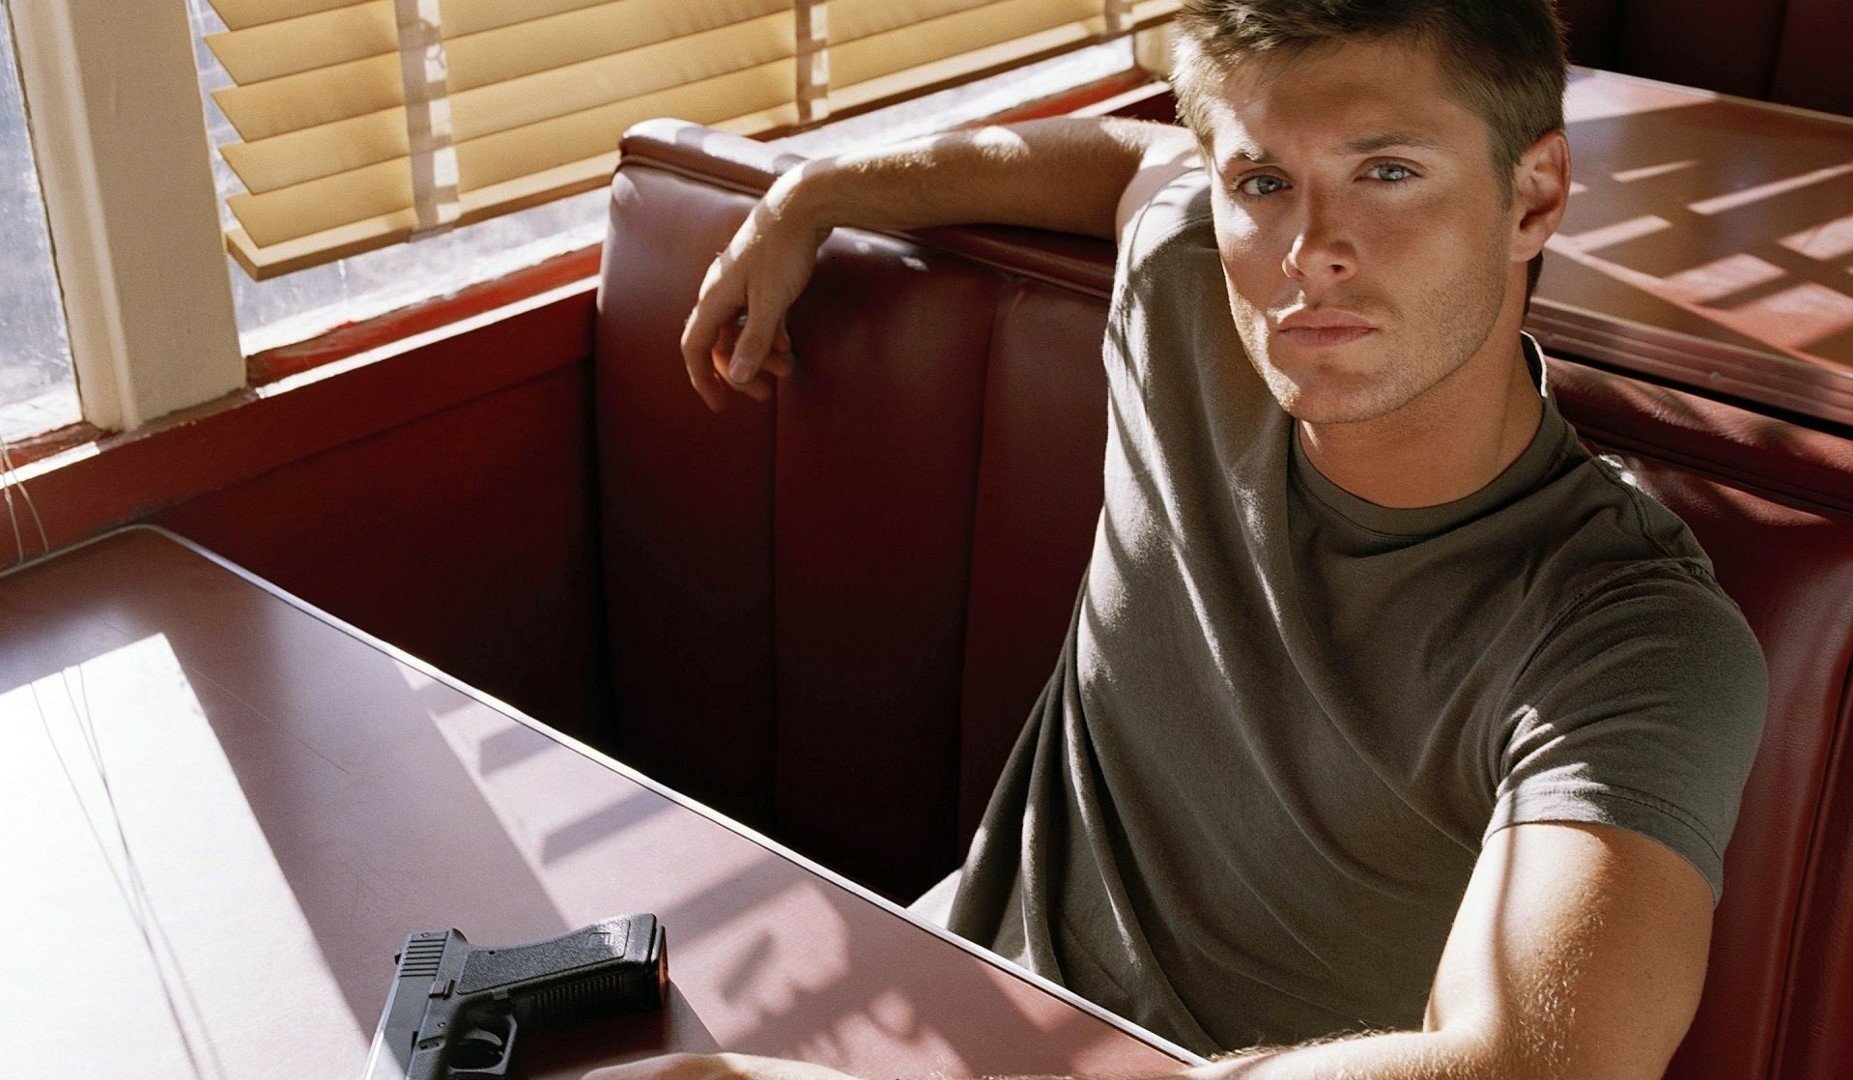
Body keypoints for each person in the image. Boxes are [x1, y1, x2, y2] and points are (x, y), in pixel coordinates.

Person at [590, 1, 1767, 1077]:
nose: (1310, 250)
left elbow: (1538, 1067)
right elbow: (1128, 163)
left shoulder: (1632, 632)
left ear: (1535, 197)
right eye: (1264, 181)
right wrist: (816, 194)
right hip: (941, 995)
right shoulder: (1189, 291)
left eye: (1388, 172)